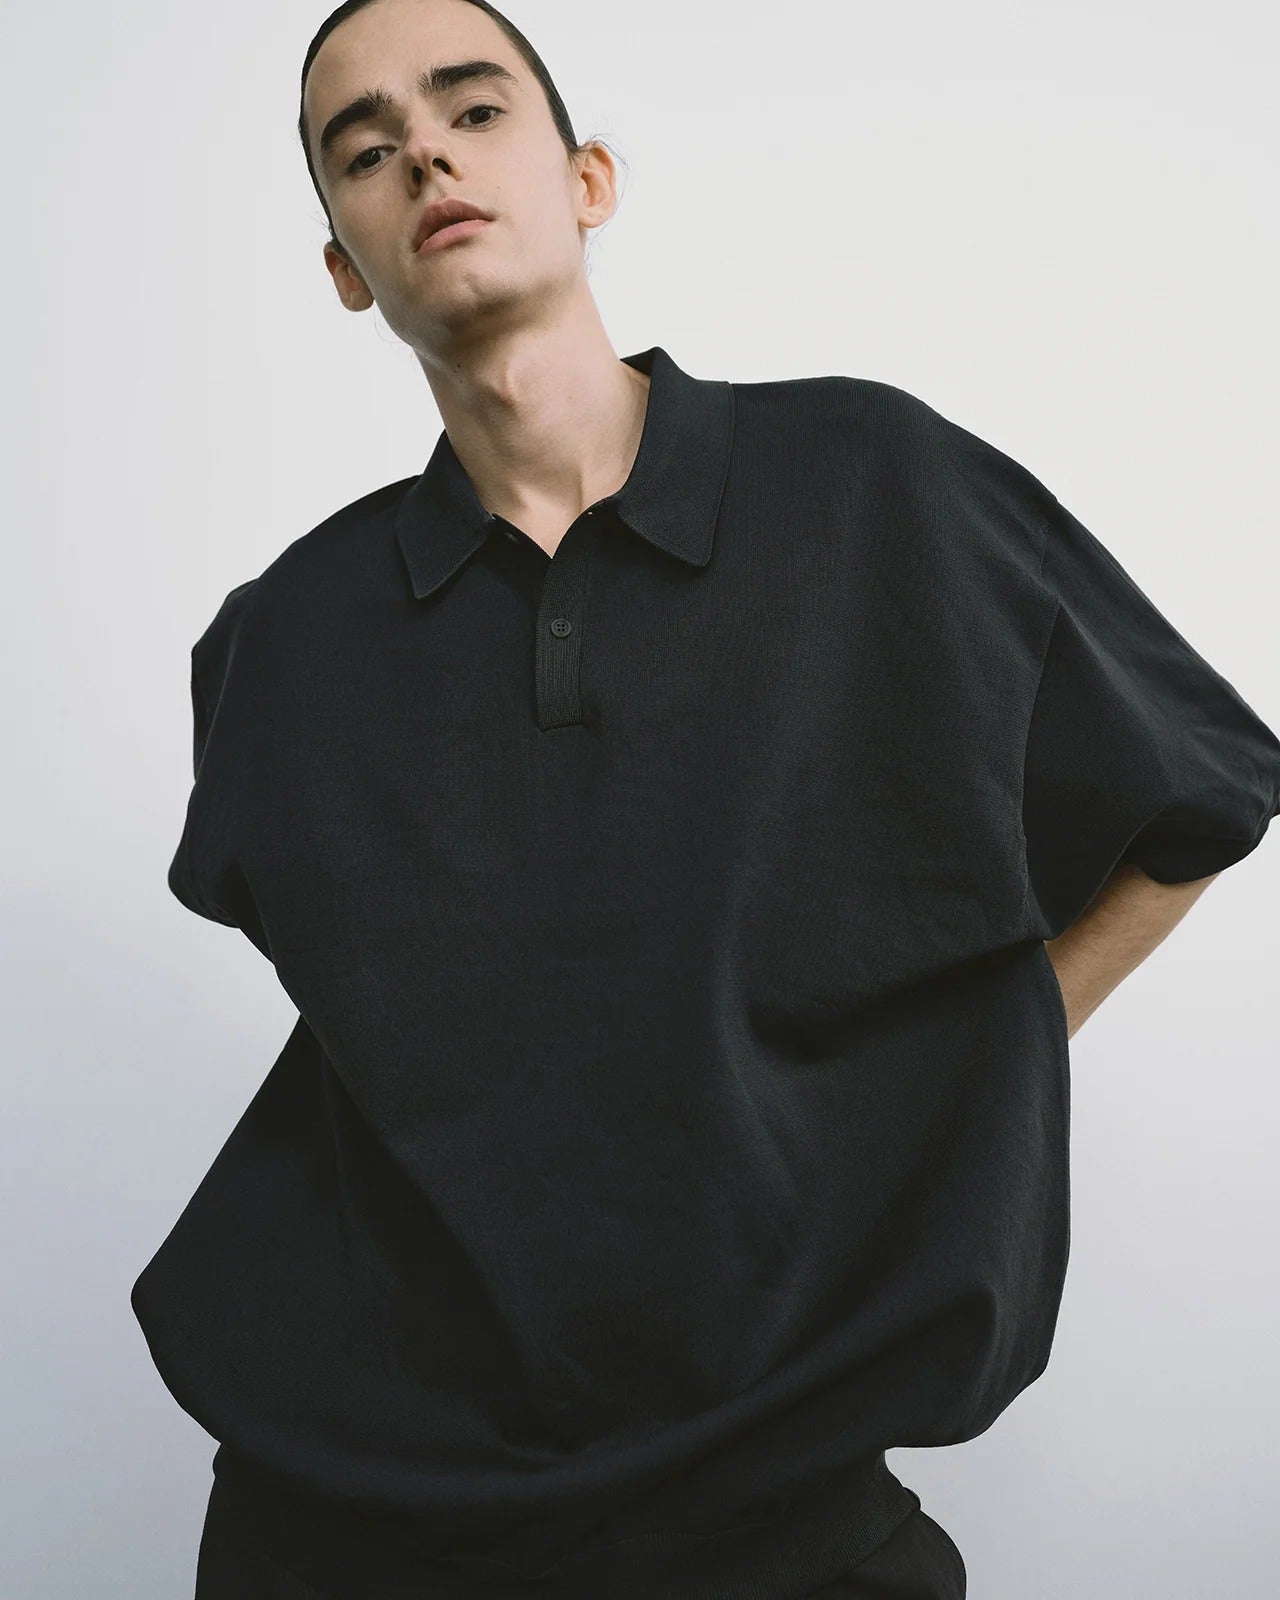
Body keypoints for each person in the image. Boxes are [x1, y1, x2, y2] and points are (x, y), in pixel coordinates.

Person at [130, 2, 1280, 1597]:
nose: (427, 158)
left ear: (588, 179)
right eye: (367, 149)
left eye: (473, 109)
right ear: (343, 265)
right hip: (347, 1507)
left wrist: (966, 1079)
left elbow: (1200, 789)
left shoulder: (870, 484)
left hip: (777, 1494)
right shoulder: (285, 642)